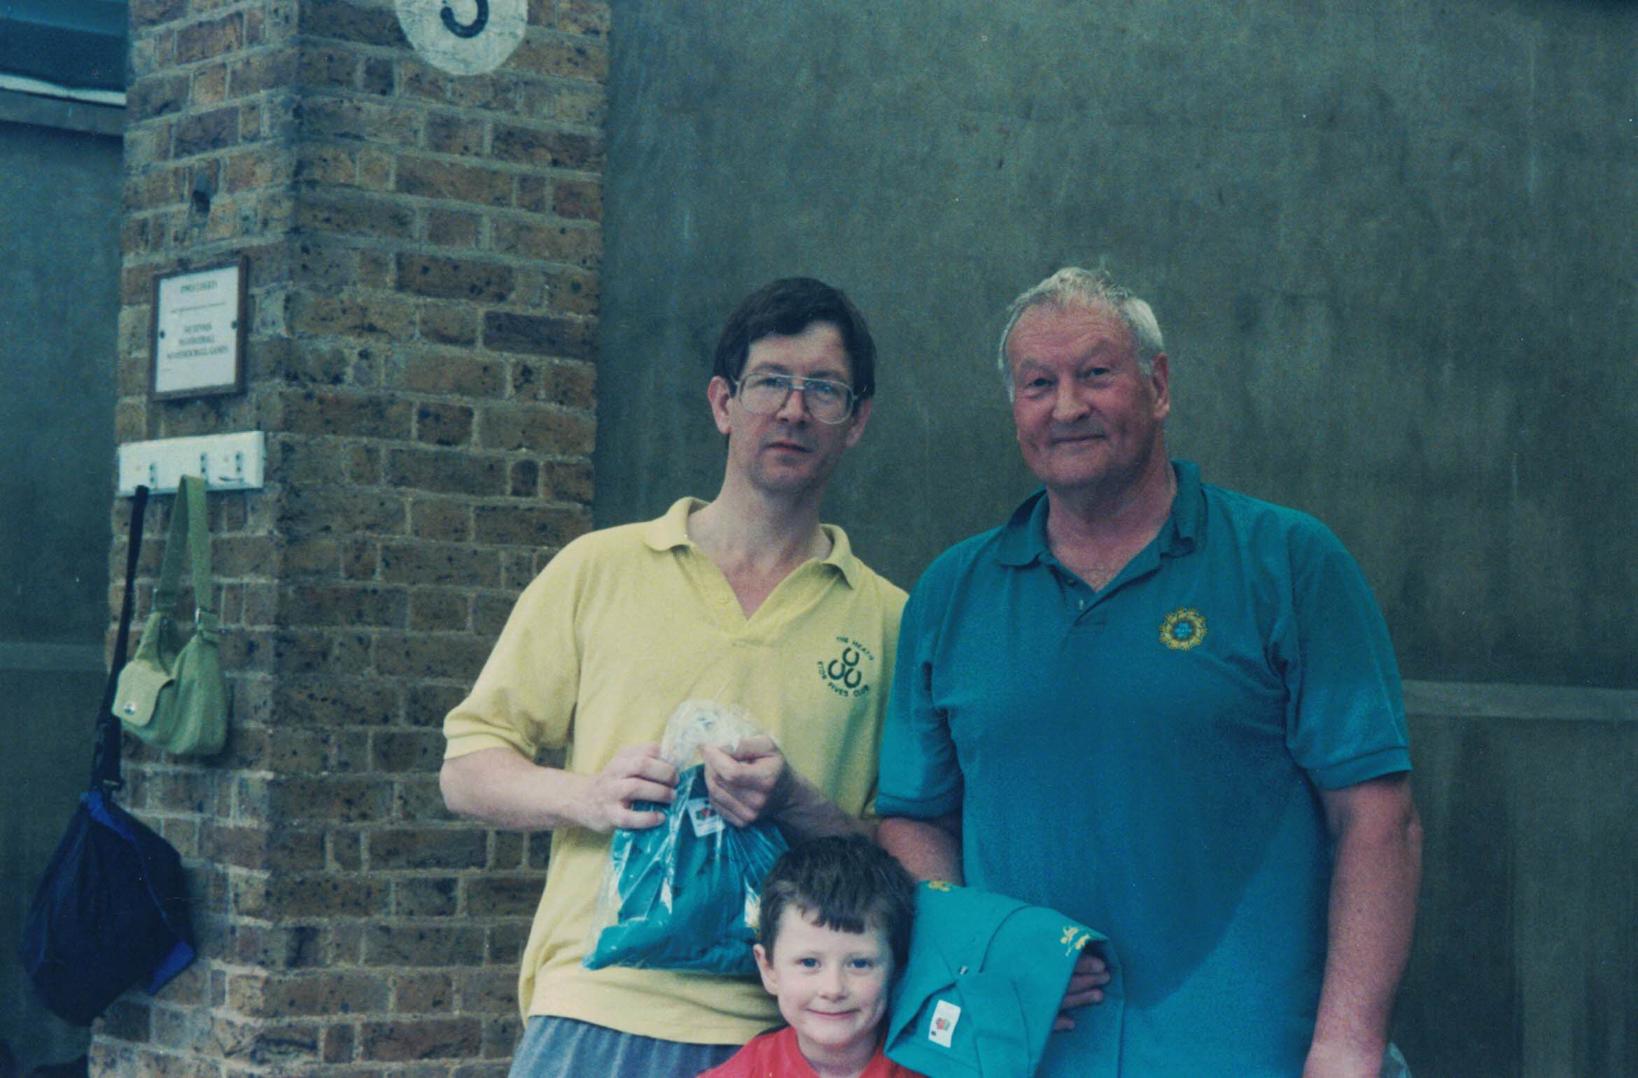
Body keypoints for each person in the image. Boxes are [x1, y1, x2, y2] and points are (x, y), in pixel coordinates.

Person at [876, 267, 1423, 1076]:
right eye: (1038, 384)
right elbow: (914, 818)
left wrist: (1347, 1045)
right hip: (1029, 1058)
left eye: (1096, 374)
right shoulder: (951, 593)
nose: (1066, 407)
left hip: (1252, 1051)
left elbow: (1378, 820)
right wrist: (989, 962)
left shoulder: (1289, 563)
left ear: (1158, 385)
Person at [441, 278, 908, 1077]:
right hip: (597, 1009)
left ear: (857, 420)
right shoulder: (600, 568)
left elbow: (899, 861)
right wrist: (588, 796)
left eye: (823, 390)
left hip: (790, 1033)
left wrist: (796, 801)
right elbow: (466, 771)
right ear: (724, 402)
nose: (793, 411)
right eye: (770, 382)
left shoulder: (891, 620)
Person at [700, 835, 923, 1078]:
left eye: (860, 963)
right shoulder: (744, 1073)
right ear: (769, 969)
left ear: (897, 969)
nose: (833, 989)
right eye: (809, 962)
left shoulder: (932, 1068)